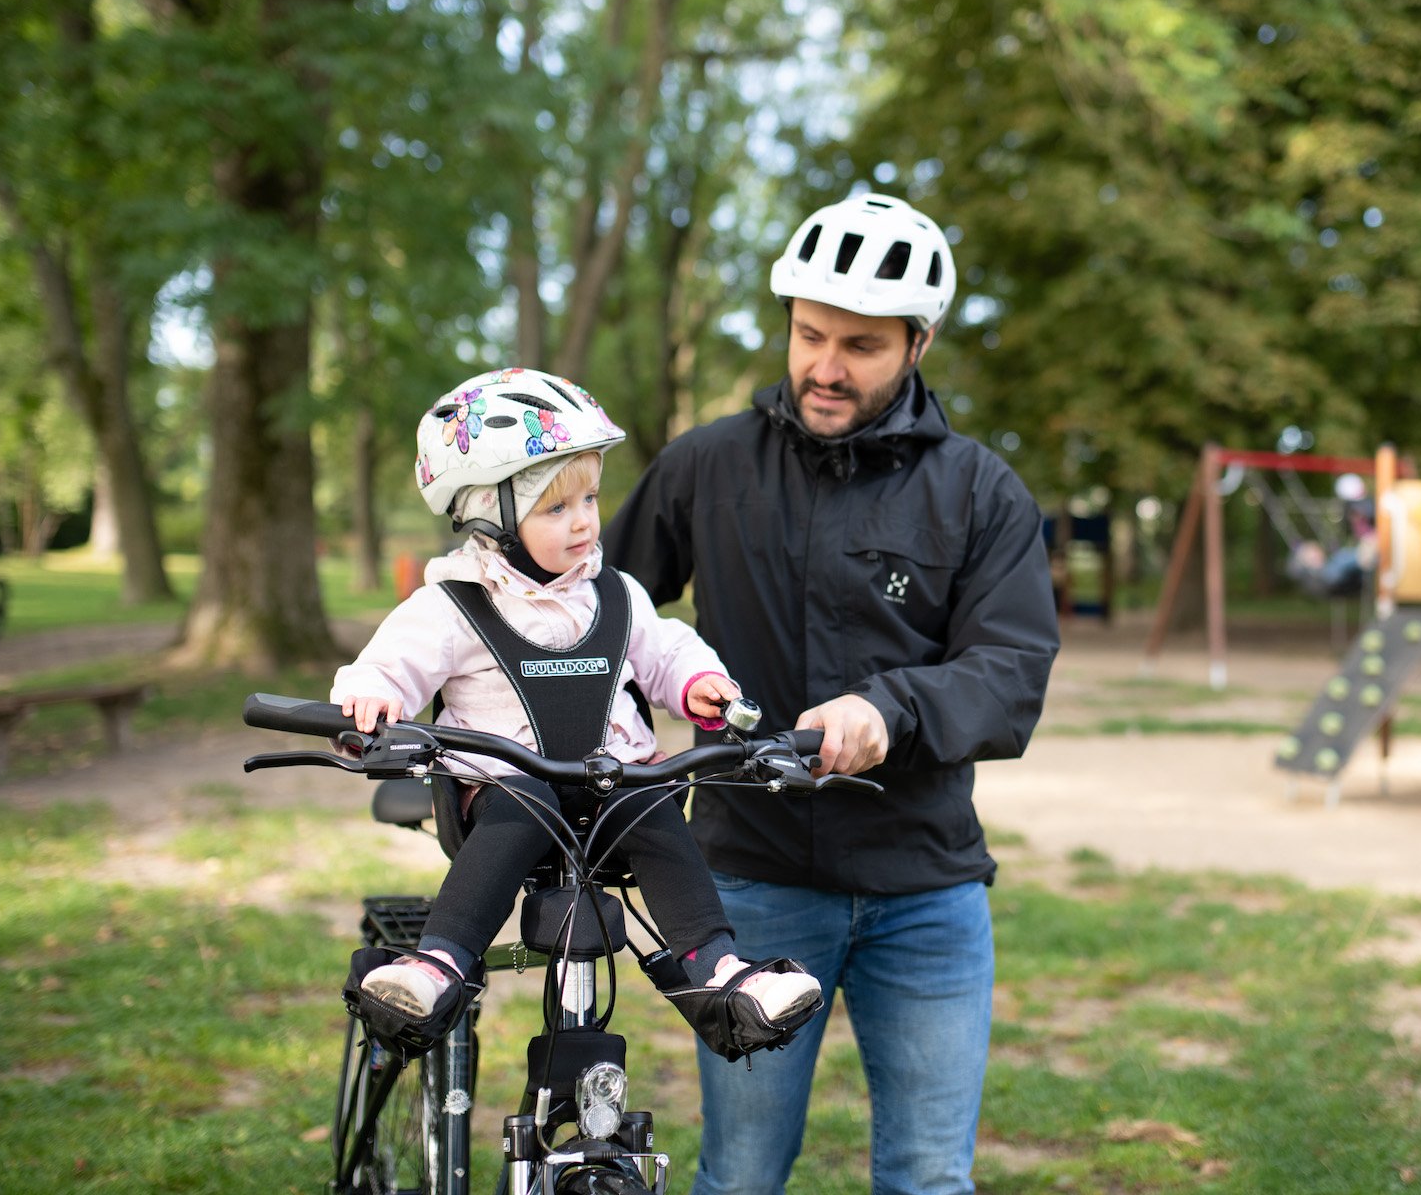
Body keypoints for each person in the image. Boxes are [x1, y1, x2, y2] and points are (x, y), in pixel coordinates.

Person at [605, 194, 1061, 1194]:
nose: (824, 365)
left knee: (928, 1180)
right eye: (809, 333)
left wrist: (888, 709)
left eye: (860, 344)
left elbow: (1008, 673)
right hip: (753, 883)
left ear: (919, 341)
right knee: (741, 1176)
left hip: (926, 891)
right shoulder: (706, 466)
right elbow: (599, 612)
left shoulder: (982, 494)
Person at [330, 367, 821, 1060]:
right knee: (521, 799)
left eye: (589, 496)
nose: (586, 519)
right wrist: (374, 697)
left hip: (608, 793)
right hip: (505, 795)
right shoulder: (456, 604)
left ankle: (719, 970)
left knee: (652, 800)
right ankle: (438, 964)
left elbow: (666, 649)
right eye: (555, 508)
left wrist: (699, 682)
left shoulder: (615, 594)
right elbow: (395, 661)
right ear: (488, 513)